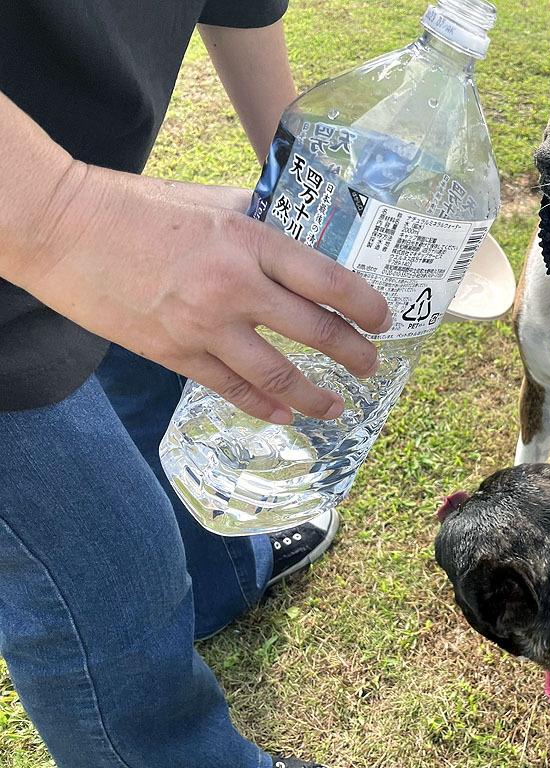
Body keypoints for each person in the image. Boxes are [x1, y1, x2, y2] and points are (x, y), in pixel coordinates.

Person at [0, 2, 392, 766]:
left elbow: (241, 10)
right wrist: (63, 217)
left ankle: (221, 578)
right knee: (108, 567)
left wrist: (312, 196)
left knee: (153, 361)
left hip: (73, 185)